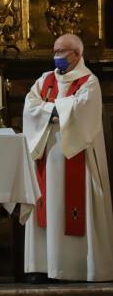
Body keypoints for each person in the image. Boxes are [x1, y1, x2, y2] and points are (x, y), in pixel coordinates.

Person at [23, 33, 113, 281]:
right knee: (47, 206)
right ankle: (43, 267)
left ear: (77, 54)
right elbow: (30, 107)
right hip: (47, 152)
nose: (57, 56)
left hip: (76, 153)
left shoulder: (89, 82)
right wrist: (61, 110)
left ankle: (77, 268)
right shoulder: (45, 80)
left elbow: (83, 113)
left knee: (73, 206)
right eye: (55, 51)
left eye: (61, 51)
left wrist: (49, 111)